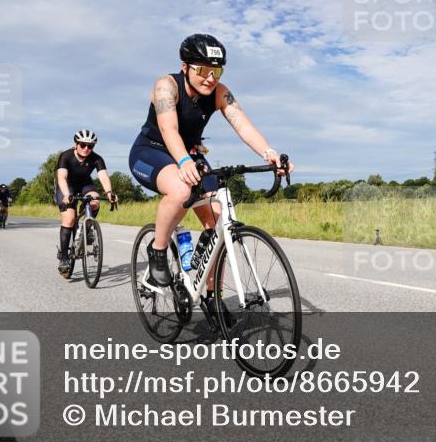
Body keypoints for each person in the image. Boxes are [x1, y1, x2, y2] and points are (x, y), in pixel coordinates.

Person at [128, 33, 292, 303]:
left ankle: (211, 297)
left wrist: (269, 153)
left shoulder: (219, 92)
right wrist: (183, 162)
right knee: (181, 191)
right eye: (203, 69)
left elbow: (243, 124)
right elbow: (169, 129)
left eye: (216, 70)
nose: (210, 77)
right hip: (152, 151)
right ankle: (158, 252)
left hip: (190, 154)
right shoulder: (166, 86)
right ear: (185, 67)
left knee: (219, 225)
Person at [55, 130, 117, 275]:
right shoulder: (66, 156)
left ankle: (87, 226)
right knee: (69, 219)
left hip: (85, 185)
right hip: (67, 187)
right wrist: (66, 194)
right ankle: (64, 257)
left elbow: (103, 176)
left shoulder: (96, 159)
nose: (86, 149)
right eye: (83, 145)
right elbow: (61, 177)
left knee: (95, 200)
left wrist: (109, 193)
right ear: (76, 144)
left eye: (90, 146)